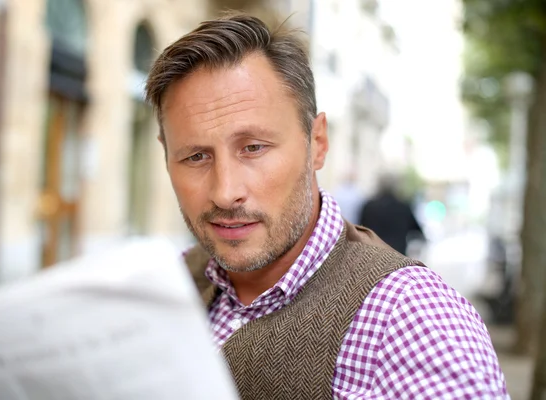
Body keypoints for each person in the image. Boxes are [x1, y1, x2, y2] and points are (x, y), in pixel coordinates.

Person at [145, 13, 508, 399]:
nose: (225, 191)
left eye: (253, 148)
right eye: (196, 157)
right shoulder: (167, 285)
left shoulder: (410, 319)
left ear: (317, 143)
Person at [359, 173, 425, 255]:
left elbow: (360, 228)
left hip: (374, 255)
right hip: (397, 255)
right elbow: (416, 230)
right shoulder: (403, 206)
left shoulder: (369, 206)